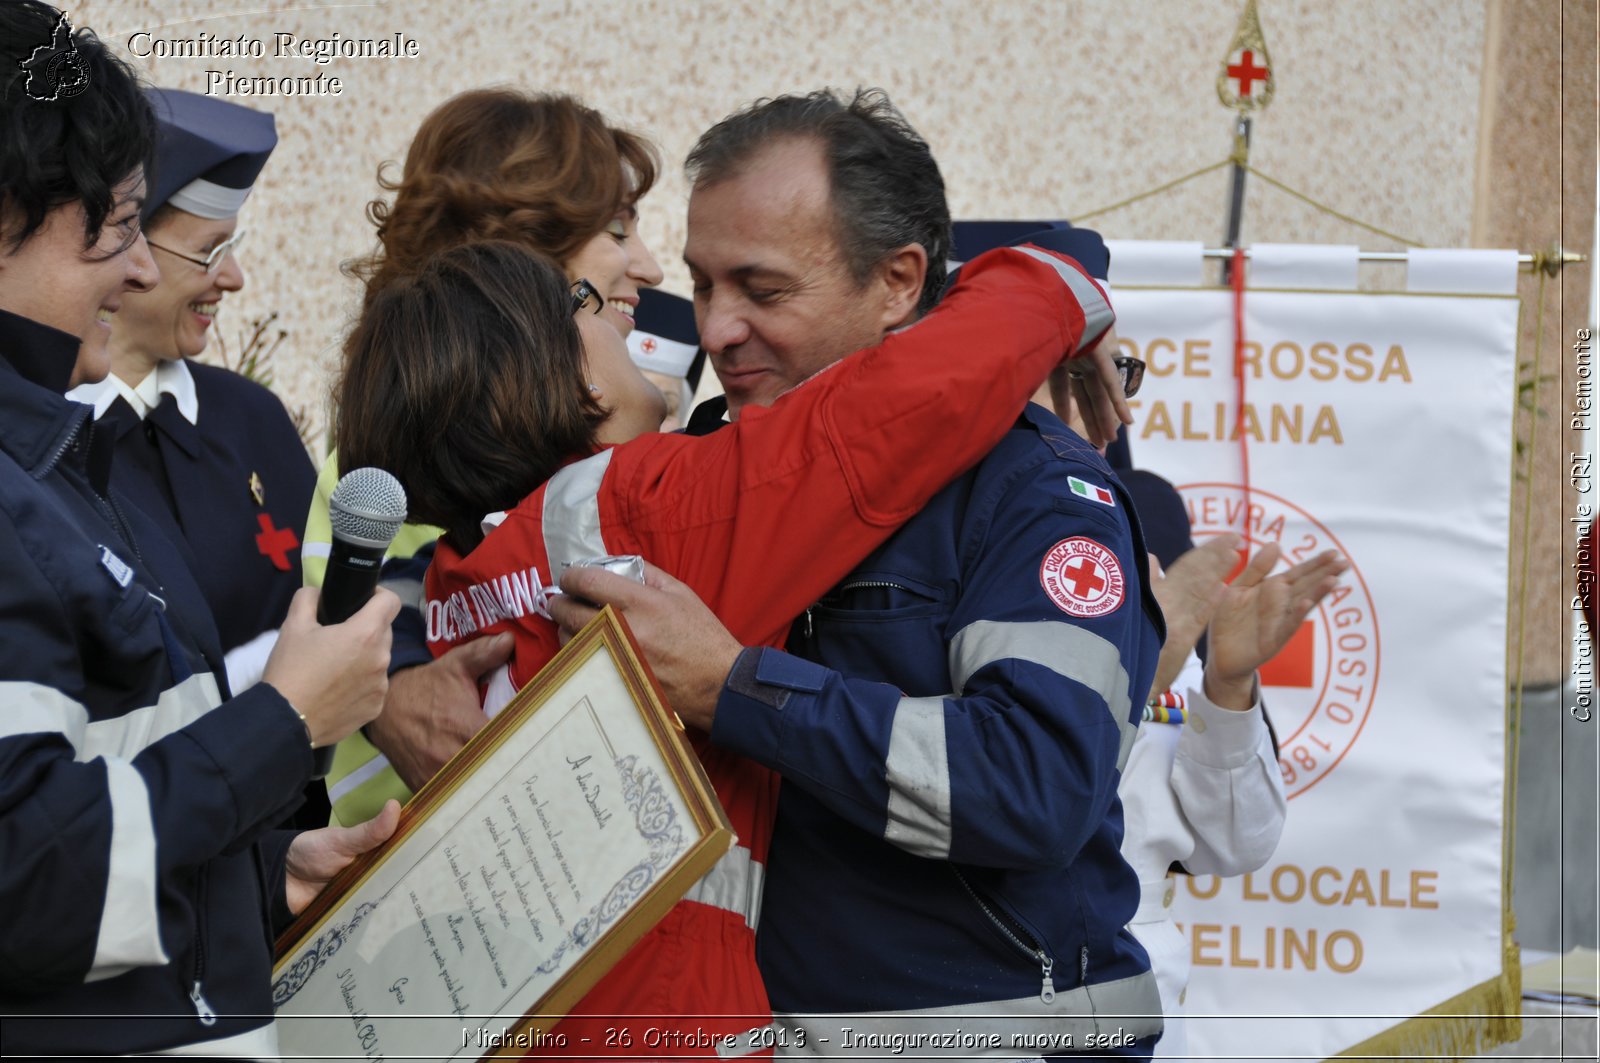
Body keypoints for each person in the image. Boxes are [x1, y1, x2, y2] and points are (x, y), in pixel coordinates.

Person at [551, 88, 1164, 1059]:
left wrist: (737, 689)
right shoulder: (708, 469)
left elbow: (1034, 781)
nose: (715, 329)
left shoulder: (1034, 492)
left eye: (763, 289)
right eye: (706, 285)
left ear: (897, 281)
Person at [0, 4, 399, 1056]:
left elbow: (96, 800)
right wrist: (283, 719)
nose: (138, 270)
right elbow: (26, 888)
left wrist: (259, 877)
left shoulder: (61, 473)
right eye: (119, 223)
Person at [301, 90, 663, 829]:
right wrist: (396, 685)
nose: (649, 266)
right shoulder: (406, 446)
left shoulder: (609, 406)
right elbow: (348, 628)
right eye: (618, 229)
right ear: (524, 240)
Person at [66, 89, 316, 701]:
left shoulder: (251, 415)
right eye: (211, 252)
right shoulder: (47, 444)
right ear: (130, 249)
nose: (233, 278)